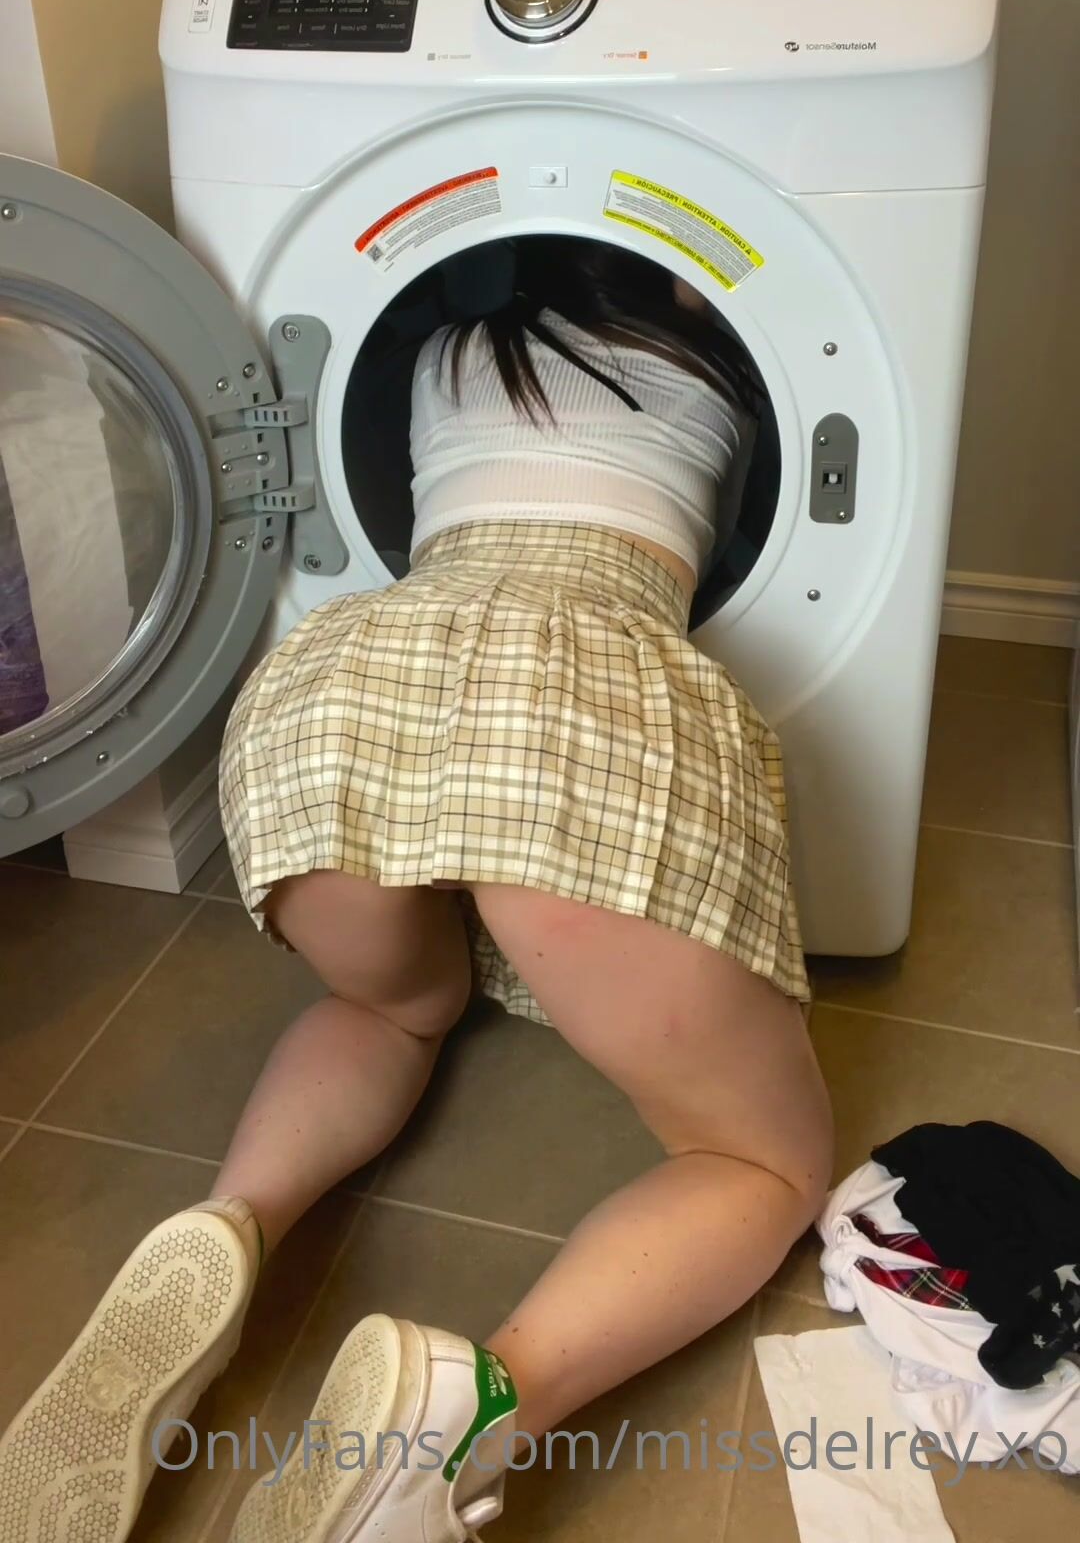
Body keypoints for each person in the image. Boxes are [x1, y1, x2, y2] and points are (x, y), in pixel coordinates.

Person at [0, 245, 833, 1543]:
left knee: (389, 1007)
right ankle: (474, 1410)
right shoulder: (721, 355)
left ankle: (229, 1225)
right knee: (759, 1162)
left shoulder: (444, 346)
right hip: (583, 707)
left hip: (343, 687)